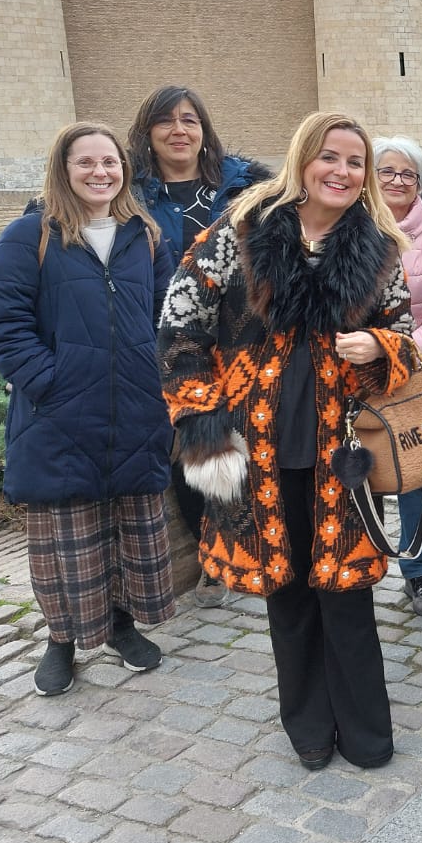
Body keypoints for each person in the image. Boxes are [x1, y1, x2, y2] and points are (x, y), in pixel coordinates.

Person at [158, 112, 416, 770]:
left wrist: (381, 347)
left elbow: (407, 337)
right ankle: (307, 725)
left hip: (343, 451)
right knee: (289, 593)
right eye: (330, 157)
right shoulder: (242, 232)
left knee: (347, 592)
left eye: (355, 162)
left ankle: (366, 731)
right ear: (303, 161)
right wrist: (201, 418)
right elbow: (180, 321)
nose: (342, 171)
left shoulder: (378, 249)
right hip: (258, 449)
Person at [0, 122, 177, 697]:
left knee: (125, 529)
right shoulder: (29, 237)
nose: (100, 172)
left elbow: (170, 317)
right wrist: (52, 385)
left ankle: (120, 625)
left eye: (110, 162)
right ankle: (60, 640)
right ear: (63, 170)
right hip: (60, 417)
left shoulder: (145, 235)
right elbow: (2, 325)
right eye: (85, 162)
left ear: (124, 169)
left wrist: (160, 381)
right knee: (66, 538)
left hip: (137, 411)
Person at [127, 85, 268, 608]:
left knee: (251, 440)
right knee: (192, 445)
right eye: (166, 121)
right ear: (148, 133)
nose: (179, 131)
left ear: (204, 130)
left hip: (240, 340)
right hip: (171, 342)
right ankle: (211, 555)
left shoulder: (243, 188)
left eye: (189, 120)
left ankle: (252, 544)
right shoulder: (132, 196)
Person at [372, 134, 422, 619]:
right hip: (349, 373)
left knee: (415, 477)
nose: (398, 181)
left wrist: (395, 350)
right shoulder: (350, 229)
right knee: (359, 471)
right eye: (387, 172)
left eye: (408, 174)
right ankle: (360, 559)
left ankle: (418, 571)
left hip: (410, 370)